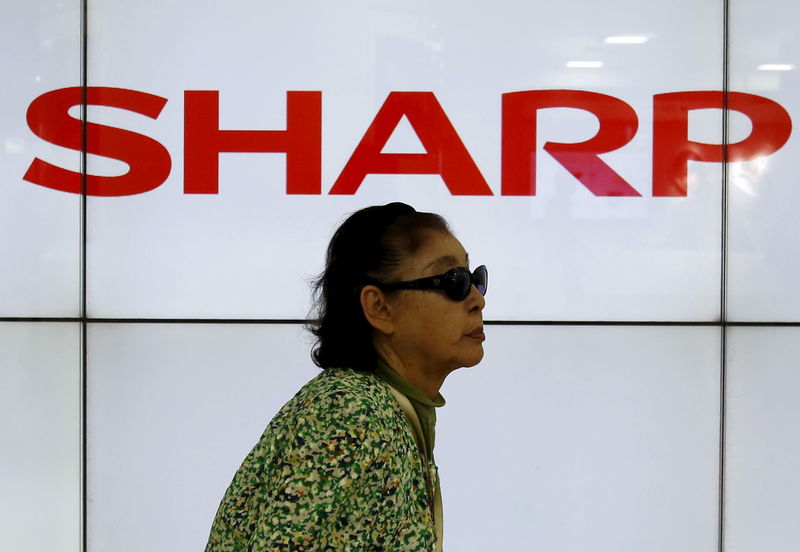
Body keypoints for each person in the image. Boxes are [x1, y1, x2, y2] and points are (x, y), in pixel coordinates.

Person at [204, 202, 487, 551]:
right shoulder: (352, 412)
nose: (477, 299)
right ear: (379, 308)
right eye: (453, 281)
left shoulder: (386, 409)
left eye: (475, 279)